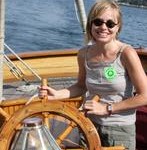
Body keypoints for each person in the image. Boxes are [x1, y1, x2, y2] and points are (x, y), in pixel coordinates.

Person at [39, 0, 147, 149]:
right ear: (90, 24)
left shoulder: (126, 53)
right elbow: (81, 86)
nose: (103, 27)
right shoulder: (84, 54)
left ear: (118, 27)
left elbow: (145, 96)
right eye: (98, 22)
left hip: (119, 130)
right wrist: (57, 94)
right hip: (89, 124)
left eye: (110, 24)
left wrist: (107, 108)